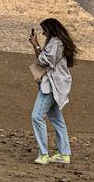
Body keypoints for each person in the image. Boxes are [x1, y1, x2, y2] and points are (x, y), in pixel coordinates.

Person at [29, 17, 75, 165]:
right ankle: (64, 154)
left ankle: (43, 154)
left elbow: (43, 61)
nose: (43, 33)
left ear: (50, 29)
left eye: (44, 30)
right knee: (56, 119)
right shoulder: (57, 43)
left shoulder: (56, 43)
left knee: (36, 116)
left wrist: (36, 45)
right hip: (55, 85)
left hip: (51, 86)